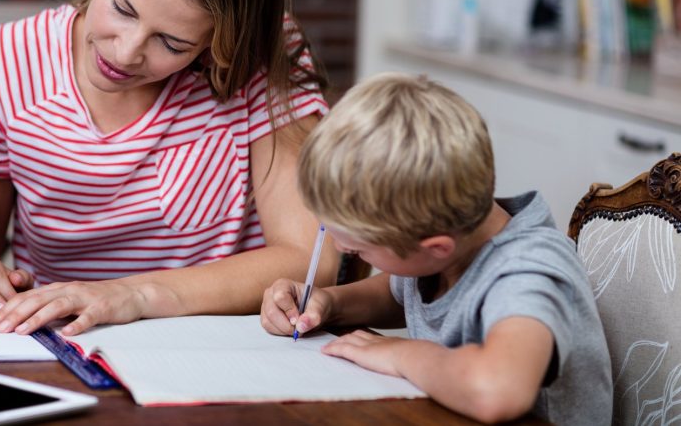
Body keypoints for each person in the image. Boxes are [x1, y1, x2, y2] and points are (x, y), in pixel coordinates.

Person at [0, 0, 340, 336]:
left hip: (218, 344)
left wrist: (133, 295)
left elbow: (310, 259)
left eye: (172, 42)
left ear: (220, 43)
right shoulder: (10, 61)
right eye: (123, 9)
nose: (125, 53)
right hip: (65, 342)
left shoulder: (264, 59)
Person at [260, 73, 611, 425]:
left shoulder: (528, 270)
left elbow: (497, 390)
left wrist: (401, 353)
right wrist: (329, 304)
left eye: (358, 248)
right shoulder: (446, 246)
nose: (342, 250)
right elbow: (398, 294)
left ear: (436, 248)